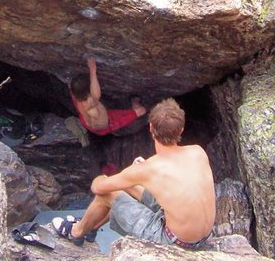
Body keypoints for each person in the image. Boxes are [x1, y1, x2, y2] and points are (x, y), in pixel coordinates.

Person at [53, 98, 216, 249]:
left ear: (151, 128)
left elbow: (98, 188)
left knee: (108, 193)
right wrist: (137, 175)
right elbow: (173, 181)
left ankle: (76, 231)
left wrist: (129, 174)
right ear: (181, 129)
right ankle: (91, 227)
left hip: (175, 242)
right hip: (203, 236)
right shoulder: (197, 152)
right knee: (130, 186)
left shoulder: (147, 169)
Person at [70, 56, 146, 136]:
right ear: (89, 91)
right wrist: (93, 71)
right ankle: (134, 101)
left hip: (88, 122)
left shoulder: (76, 95)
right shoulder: (91, 104)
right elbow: (96, 94)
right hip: (108, 124)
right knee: (142, 110)